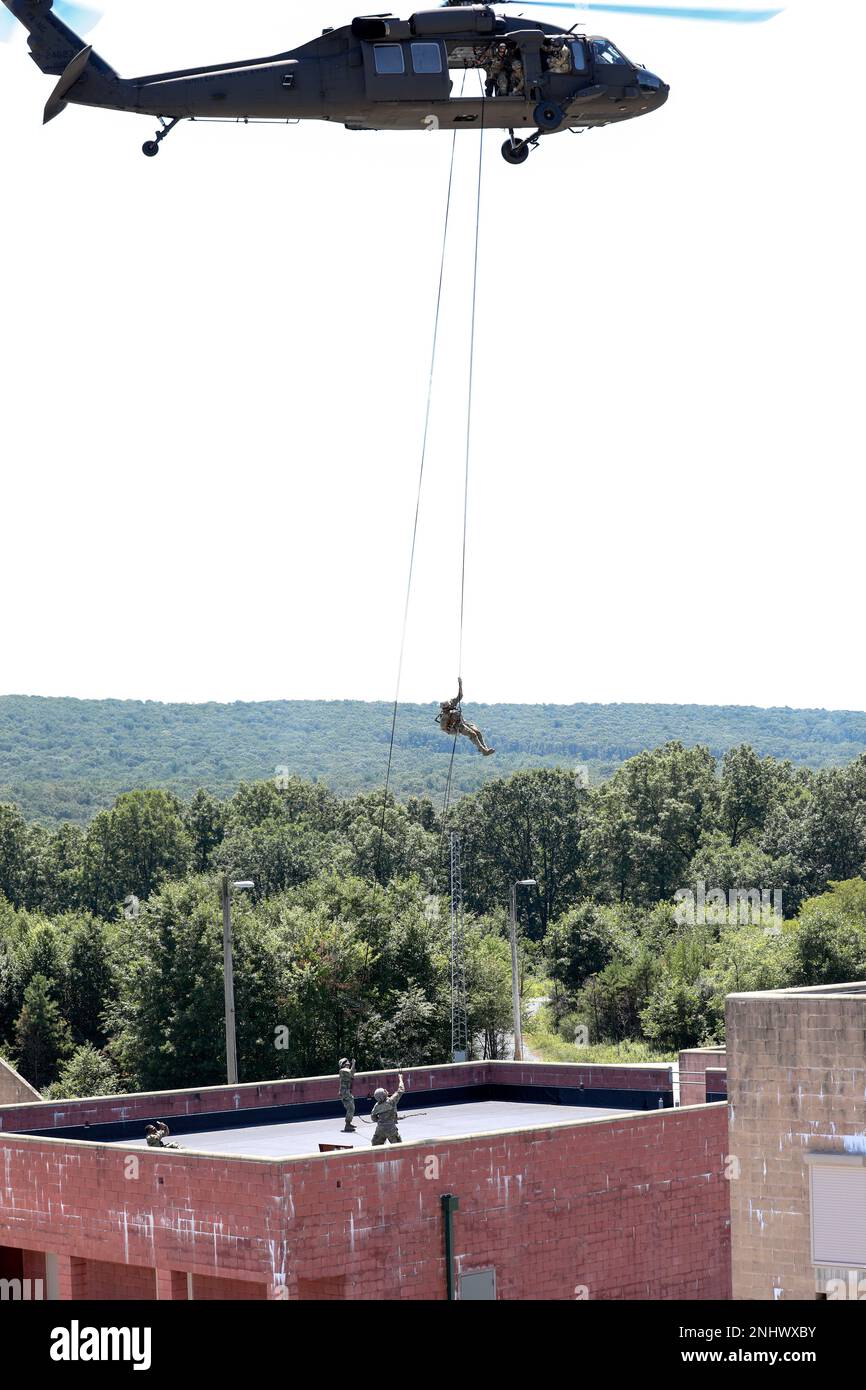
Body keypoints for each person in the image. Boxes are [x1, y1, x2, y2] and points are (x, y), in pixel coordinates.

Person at [436, 678, 495, 756]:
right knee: (473, 734)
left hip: (462, 722)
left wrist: (460, 684)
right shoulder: (444, 717)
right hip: (457, 727)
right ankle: (484, 751)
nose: (450, 707)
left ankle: (484, 748)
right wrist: (453, 728)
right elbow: (445, 729)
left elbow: (460, 696)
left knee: (477, 732)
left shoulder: (451, 704)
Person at [370, 1073, 405, 1146]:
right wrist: (400, 1078)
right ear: (383, 1095)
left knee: (376, 1147)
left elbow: (373, 1117)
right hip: (391, 1129)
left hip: (380, 1129)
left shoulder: (376, 1106)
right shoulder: (391, 1101)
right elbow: (401, 1090)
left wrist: (382, 1120)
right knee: (398, 1147)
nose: (386, 1090)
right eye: (384, 1091)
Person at [339, 1057, 357, 1132]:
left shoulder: (344, 1070)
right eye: (348, 1062)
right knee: (351, 1108)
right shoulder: (343, 1070)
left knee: (351, 1108)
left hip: (346, 1092)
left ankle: (348, 1123)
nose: (349, 1063)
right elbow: (352, 1073)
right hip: (345, 1092)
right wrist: (354, 1063)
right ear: (344, 1064)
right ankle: (347, 1124)